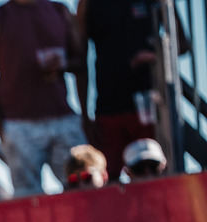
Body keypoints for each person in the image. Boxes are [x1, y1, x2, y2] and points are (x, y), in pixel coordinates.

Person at [0, 0, 88, 196]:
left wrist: (63, 66)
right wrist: (1, 128)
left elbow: (81, 63)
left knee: (83, 189)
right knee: (27, 196)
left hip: (64, 118)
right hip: (19, 125)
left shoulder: (60, 11)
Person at [76, 0, 189, 181]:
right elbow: (80, 58)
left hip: (149, 105)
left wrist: (155, 56)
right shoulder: (87, 4)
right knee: (107, 178)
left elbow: (182, 44)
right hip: (108, 105)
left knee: (152, 171)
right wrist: (84, 114)